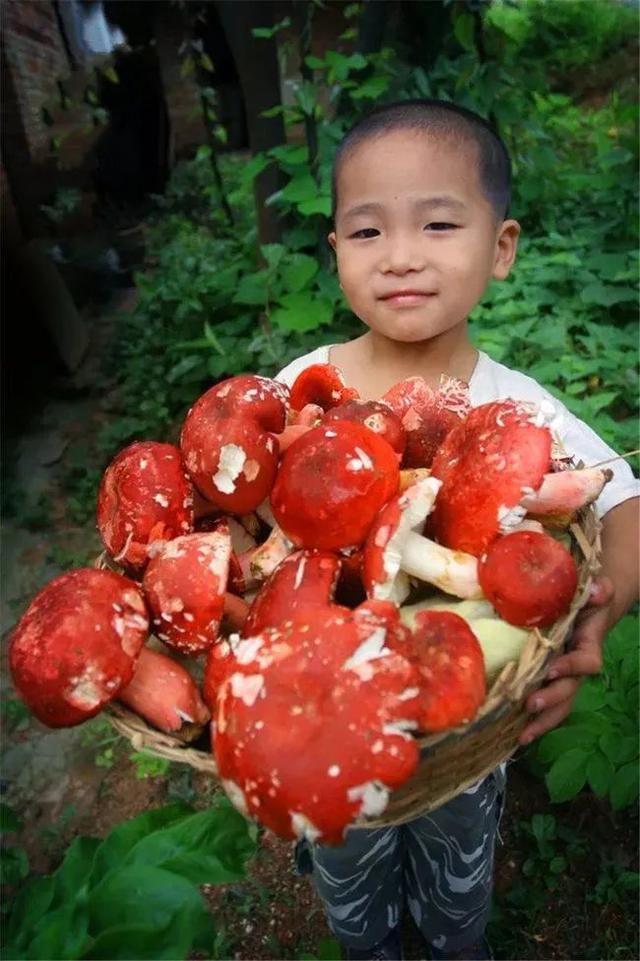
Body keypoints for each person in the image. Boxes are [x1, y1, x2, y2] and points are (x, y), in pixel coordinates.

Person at [275, 99, 640, 961]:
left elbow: (623, 498)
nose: (401, 255)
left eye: (439, 223)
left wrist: (603, 606)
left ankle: (450, 941)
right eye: (366, 234)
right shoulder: (299, 391)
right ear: (335, 254)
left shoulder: (517, 413)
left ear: (500, 247)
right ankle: (366, 941)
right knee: (348, 861)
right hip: (331, 711)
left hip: (465, 727)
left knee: (454, 873)